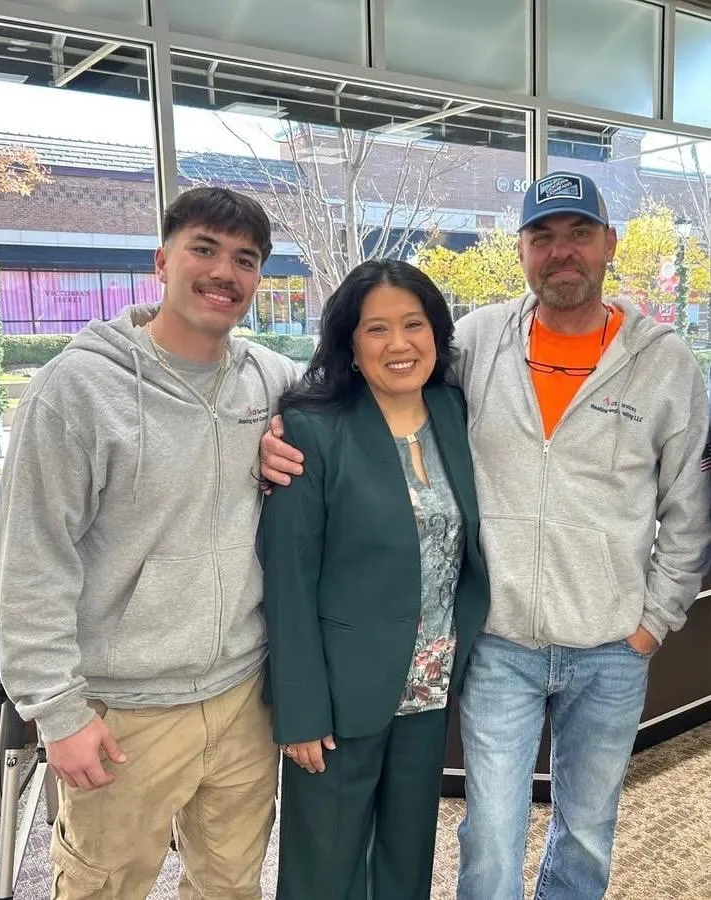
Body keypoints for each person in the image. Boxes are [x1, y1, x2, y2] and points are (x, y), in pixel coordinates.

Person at [259, 172, 711, 900]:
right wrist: (271, 427)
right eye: (542, 237)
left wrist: (654, 623)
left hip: (610, 647)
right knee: (490, 840)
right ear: (522, 250)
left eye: (578, 234)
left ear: (608, 245)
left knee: (587, 831)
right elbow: (369, 372)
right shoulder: (476, 340)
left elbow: (690, 507)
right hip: (497, 645)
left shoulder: (663, 366)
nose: (561, 252)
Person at [0, 186, 301, 898]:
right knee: (103, 886)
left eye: (245, 259)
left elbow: (351, 399)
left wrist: (290, 436)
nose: (224, 272)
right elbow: (29, 562)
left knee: (230, 884)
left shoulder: (269, 380)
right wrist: (58, 711)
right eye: (204, 249)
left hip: (241, 698)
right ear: (162, 261)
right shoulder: (76, 390)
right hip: (121, 706)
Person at [259, 259, 489, 900]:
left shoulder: (452, 411)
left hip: (429, 684)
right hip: (337, 697)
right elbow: (289, 577)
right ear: (351, 347)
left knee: (406, 857)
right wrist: (300, 709)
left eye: (413, 324)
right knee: (324, 869)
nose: (398, 344)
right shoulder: (311, 429)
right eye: (377, 329)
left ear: (436, 334)